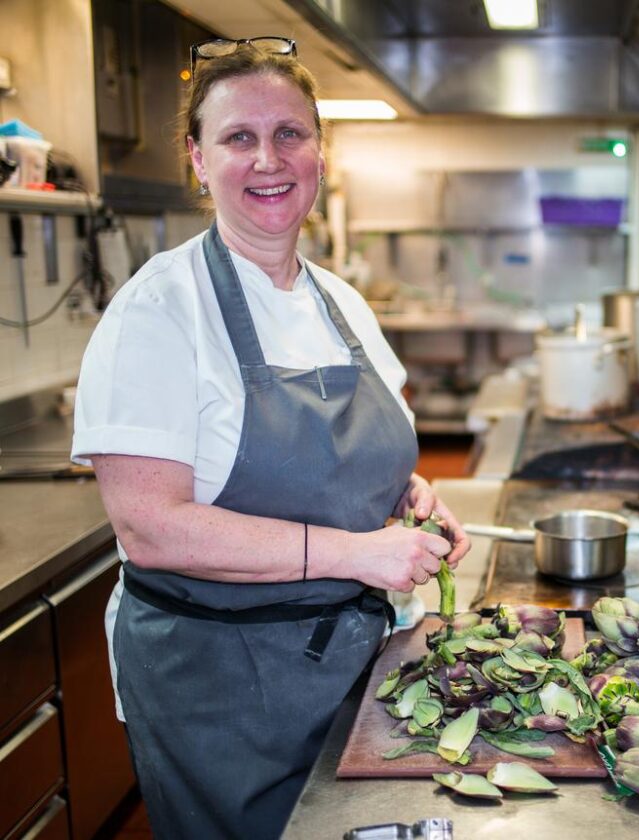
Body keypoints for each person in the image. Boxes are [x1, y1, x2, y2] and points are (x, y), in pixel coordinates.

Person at [70, 36, 470, 839]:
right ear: (197, 158)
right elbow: (149, 527)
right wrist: (358, 554)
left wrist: (407, 497)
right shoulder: (160, 310)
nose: (268, 159)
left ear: (320, 153)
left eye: (289, 133)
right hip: (223, 691)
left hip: (352, 666)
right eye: (238, 138)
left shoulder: (342, 302)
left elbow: (367, 459)